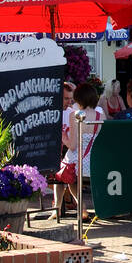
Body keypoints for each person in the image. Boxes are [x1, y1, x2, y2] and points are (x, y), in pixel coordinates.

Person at [54, 81, 104, 217]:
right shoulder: (101, 116)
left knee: (60, 174)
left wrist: (62, 135)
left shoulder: (75, 114)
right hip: (93, 163)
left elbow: (72, 145)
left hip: (77, 162)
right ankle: (80, 209)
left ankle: (58, 209)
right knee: (70, 178)